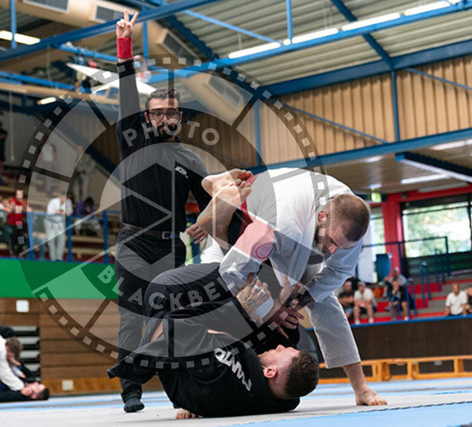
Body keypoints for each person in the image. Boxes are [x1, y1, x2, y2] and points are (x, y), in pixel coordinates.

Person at [195, 167, 386, 406]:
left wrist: (304, 297)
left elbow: (338, 272)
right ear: (322, 216)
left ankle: (361, 388)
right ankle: (222, 194)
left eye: (341, 246)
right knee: (221, 290)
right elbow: (232, 271)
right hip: (251, 211)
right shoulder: (282, 222)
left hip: (297, 222)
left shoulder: (349, 226)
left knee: (325, 301)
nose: (333, 250)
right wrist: (271, 309)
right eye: (332, 241)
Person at [114, 12, 212, 412]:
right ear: (147, 118)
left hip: (173, 249)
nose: (165, 118)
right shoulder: (133, 142)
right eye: (157, 113)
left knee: (175, 319)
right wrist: (124, 46)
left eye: (171, 112)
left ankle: (183, 393)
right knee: (131, 315)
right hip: (134, 243)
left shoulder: (191, 160)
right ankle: (130, 389)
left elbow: (210, 205)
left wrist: (208, 221)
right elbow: (125, 93)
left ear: (179, 117)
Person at [108, 271, 318, 418]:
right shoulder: (284, 398)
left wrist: (239, 307)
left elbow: (176, 324)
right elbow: (293, 393)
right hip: (197, 353)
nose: (280, 348)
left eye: (282, 352)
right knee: (283, 329)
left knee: (251, 277)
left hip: (166, 304)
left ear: (270, 371)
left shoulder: (221, 367)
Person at [45, 192, 72, 261]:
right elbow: (48, 212)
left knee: (61, 241)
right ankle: (52, 258)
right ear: (60, 196)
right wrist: (55, 212)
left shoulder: (68, 202)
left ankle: (59, 258)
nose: (64, 198)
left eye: (65, 197)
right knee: (51, 241)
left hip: (60, 223)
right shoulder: (53, 201)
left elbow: (70, 211)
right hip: (51, 223)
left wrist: (65, 212)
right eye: (63, 197)